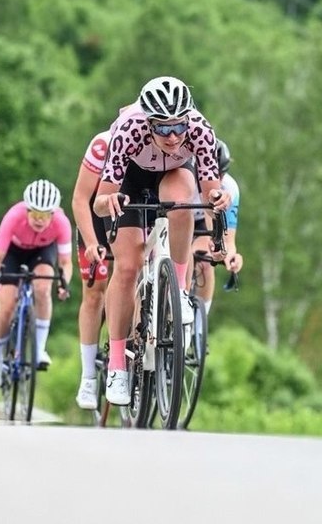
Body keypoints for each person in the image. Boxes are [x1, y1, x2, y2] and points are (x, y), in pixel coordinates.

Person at [92, 76, 232, 405]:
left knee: (183, 201)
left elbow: (211, 194)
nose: (173, 136)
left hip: (175, 174)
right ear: (148, 122)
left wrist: (218, 212)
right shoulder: (128, 129)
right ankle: (117, 366)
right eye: (163, 129)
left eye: (179, 127)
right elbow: (100, 201)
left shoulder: (199, 129)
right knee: (127, 269)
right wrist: (109, 204)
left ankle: (179, 288)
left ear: (189, 120)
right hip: (130, 177)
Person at [0, 179, 73, 387]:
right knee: (6, 307)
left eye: (44, 216)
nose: (39, 220)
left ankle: (39, 349)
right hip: (13, 253)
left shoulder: (62, 223)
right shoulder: (13, 217)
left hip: (42, 252)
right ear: (26, 210)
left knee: (43, 288)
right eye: (34, 214)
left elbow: (66, 262)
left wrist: (64, 284)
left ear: (53, 214)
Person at [71, 130, 112, 410]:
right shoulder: (103, 145)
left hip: (132, 211)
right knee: (95, 295)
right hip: (96, 217)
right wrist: (91, 242)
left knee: (134, 274)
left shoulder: (161, 142)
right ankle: (88, 376)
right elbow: (80, 199)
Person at [190, 139, 243, 315]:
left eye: (219, 175)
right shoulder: (184, 180)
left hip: (202, 225)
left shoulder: (230, 188)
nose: (215, 180)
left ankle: (199, 328)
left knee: (205, 263)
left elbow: (228, 240)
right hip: (176, 219)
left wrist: (231, 256)